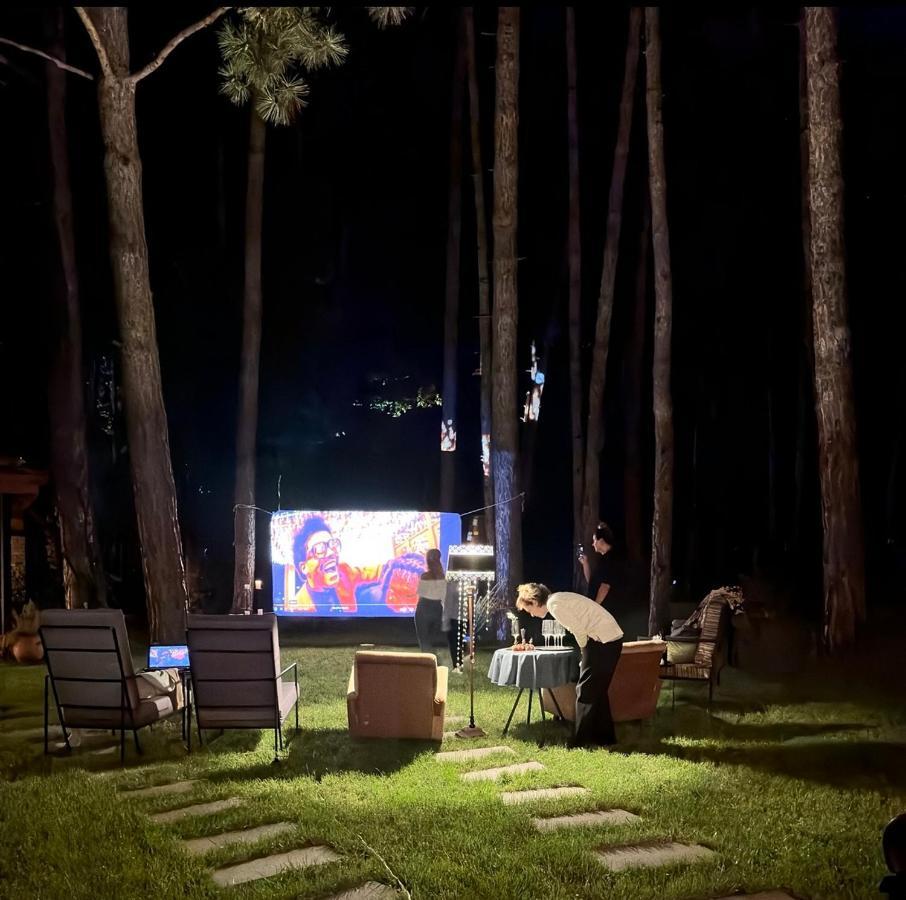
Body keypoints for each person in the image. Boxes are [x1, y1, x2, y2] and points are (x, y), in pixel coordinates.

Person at [516, 582, 623, 748]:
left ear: (535, 602)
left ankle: (581, 741)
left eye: (528, 609)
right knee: (597, 690)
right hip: (607, 639)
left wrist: (584, 650)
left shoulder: (555, 604)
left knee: (585, 690)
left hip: (603, 640)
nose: (530, 614)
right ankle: (605, 737)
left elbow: (579, 630)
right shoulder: (557, 599)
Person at [579, 521, 622, 607]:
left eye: (594, 540)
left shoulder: (610, 559)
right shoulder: (603, 560)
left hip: (605, 610)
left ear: (601, 541)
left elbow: (605, 587)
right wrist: (585, 563)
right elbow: (592, 582)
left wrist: (596, 607)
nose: (592, 544)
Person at [415, 549, 446, 653]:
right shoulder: (442, 577)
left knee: (424, 643)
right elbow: (443, 596)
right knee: (430, 643)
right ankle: (434, 663)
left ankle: (428, 664)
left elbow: (421, 593)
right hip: (437, 610)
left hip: (423, 610)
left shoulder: (425, 576)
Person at [442, 579, 463, 673]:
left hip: (455, 618)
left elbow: (448, 604)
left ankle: (457, 664)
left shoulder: (451, 586)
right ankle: (458, 664)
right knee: (457, 643)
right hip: (459, 618)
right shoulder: (460, 585)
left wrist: (445, 621)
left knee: (455, 643)